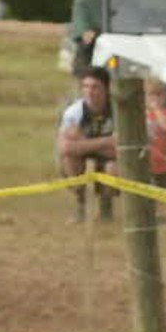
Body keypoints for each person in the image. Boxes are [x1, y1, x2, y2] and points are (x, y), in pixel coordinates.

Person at [57, 67, 118, 221]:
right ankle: (81, 204)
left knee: (112, 168)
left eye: (95, 87)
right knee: (69, 159)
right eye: (86, 87)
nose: (89, 92)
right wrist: (106, 142)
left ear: (106, 89)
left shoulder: (118, 111)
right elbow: (64, 147)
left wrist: (82, 143)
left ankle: (106, 207)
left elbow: (121, 150)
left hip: (112, 161)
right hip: (86, 158)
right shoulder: (74, 112)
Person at [64, 0, 103, 82]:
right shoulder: (82, 2)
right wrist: (90, 32)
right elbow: (85, 33)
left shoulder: (117, 2)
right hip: (89, 53)